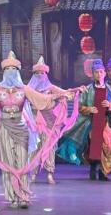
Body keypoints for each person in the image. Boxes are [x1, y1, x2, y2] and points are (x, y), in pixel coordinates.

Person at [0, 51, 69, 209]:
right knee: (8, 165)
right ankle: (12, 197)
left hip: (21, 130)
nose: (10, 72)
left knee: (22, 164)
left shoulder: (24, 89)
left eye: (13, 69)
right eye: (7, 69)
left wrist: (62, 96)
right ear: (3, 71)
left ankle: (24, 196)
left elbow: (42, 100)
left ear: (18, 71)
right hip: (5, 129)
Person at [58, 59, 111, 182]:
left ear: (104, 73)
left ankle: (104, 171)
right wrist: (89, 109)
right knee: (93, 147)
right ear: (93, 74)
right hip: (90, 123)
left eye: (101, 72)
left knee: (110, 146)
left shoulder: (110, 90)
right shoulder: (88, 89)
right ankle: (94, 169)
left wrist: (110, 105)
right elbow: (80, 106)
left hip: (105, 122)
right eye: (96, 72)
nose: (99, 74)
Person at [27, 56, 83, 184]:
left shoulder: (50, 88)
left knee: (49, 147)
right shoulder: (29, 89)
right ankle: (33, 174)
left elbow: (65, 92)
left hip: (49, 122)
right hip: (34, 121)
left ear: (46, 74)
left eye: (42, 73)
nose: (39, 75)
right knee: (34, 147)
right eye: (37, 73)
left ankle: (49, 173)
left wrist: (76, 90)